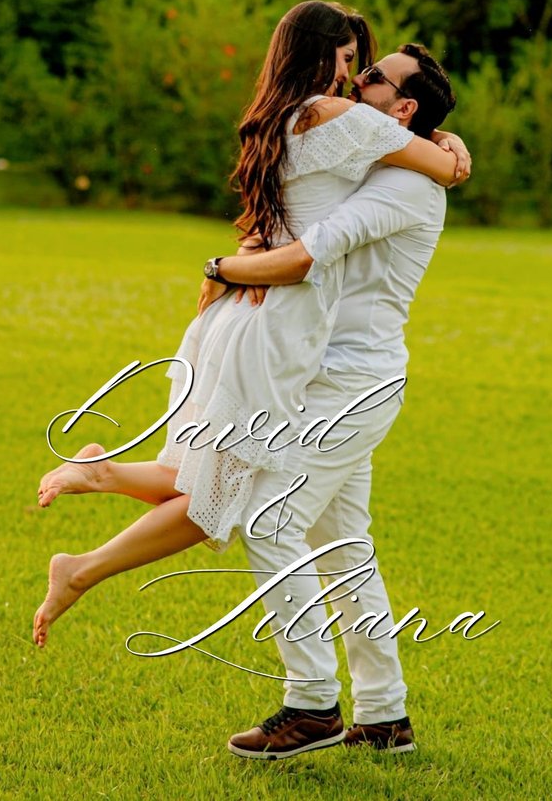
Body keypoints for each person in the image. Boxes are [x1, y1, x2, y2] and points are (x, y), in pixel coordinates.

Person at [42, 43, 460, 761]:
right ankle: (385, 714)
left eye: (372, 76)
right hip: (314, 376)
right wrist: (450, 145)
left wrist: (223, 268)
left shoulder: (405, 186)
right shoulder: (379, 156)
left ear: (404, 108)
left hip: (350, 385)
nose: (357, 80)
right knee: (342, 543)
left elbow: (309, 253)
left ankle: (312, 703)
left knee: (269, 520)